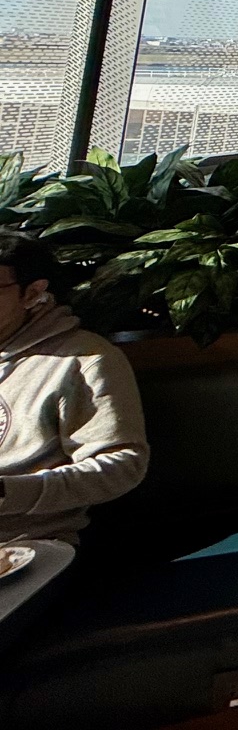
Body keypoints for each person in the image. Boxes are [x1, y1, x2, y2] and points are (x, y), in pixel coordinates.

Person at [0, 233, 149, 545]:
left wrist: (10, 493)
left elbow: (122, 465)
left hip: (31, 546)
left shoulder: (83, 360)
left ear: (33, 293)